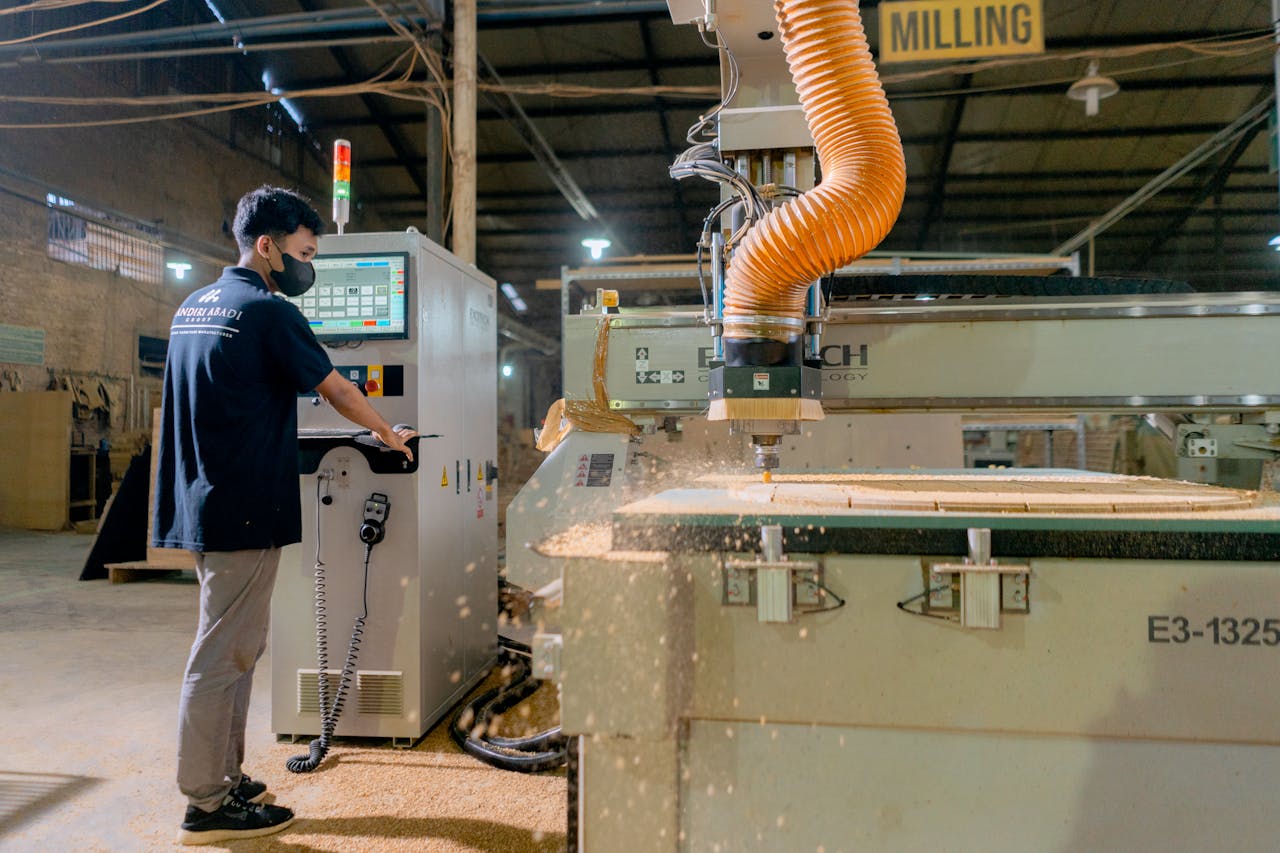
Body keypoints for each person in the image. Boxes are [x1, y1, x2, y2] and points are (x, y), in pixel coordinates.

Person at [153, 185, 415, 845]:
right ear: (265, 245)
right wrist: (388, 432)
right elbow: (333, 387)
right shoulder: (267, 312)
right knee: (222, 653)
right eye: (302, 252)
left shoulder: (194, 307)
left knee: (233, 648)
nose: (307, 266)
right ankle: (205, 803)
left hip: (202, 502)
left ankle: (225, 776)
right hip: (244, 505)